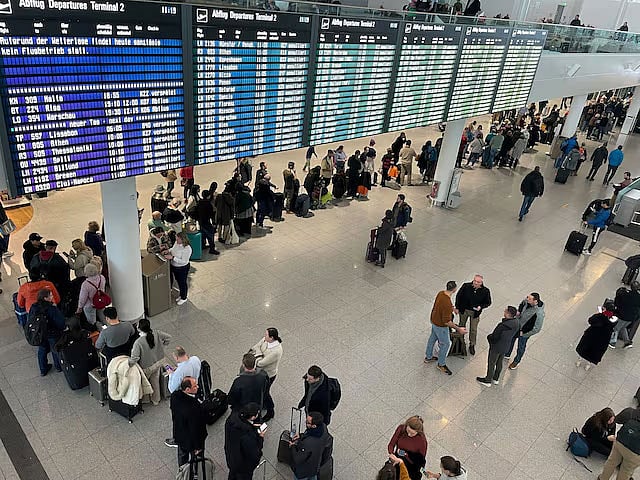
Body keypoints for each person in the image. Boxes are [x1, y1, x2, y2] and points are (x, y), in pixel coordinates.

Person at [424, 281, 466, 376]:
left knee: (432, 338)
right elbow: (447, 321)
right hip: (441, 326)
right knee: (446, 344)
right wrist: (458, 329)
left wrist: (453, 308)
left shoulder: (441, 293)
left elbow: (443, 305)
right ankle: (441, 364)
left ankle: (428, 357)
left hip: (434, 320)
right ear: (454, 289)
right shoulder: (447, 302)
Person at [129, 318, 172, 406]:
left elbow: (135, 358)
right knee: (155, 381)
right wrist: (162, 348)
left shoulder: (138, 342)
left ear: (139, 329)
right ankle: (156, 399)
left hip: (146, 367)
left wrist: (129, 364)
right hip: (158, 362)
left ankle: (146, 399)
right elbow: (168, 337)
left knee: (145, 383)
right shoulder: (157, 333)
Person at [476, 306, 519, 387]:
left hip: (496, 347)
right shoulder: (516, 323)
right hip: (506, 346)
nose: (504, 311)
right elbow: (516, 335)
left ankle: (488, 380)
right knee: (499, 362)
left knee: (491, 363)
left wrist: (489, 337)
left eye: (505, 311)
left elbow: (494, 337)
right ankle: (496, 378)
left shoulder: (502, 326)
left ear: (508, 314)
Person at [170, 376, 208, 467]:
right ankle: (196, 470)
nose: (197, 387)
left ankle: (182, 470)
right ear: (187, 389)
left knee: (182, 455)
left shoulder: (175, 396)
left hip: (180, 434)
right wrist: (197, 446)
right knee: (197, 458)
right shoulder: (194, 407)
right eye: (195, 386)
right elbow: (195, 428)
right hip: (192, 441)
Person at [249, 328, 283, 422]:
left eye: (266, 335)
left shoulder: (276, 351)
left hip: (268, 375)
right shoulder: (265, 340)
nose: (264, 336)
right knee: (263, 392)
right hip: (261, 372)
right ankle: (264, 404)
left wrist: (257, 354)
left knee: (265, 393)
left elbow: (261, 363)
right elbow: (255, 346)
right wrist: (260, 354)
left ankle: (270, 411)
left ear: (272, 337)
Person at [224, 402, 265, 480]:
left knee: (232, 474)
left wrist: (251, 426)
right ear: (253, 417)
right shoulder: (248, 435)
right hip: (243, 467)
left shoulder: (231, 420)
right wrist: (260, 437)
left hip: (231, 458)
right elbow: (255, 454)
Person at [30, 288, 66, 376]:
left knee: (42, 350)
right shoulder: (51, 308)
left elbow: (30, 319)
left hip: (40, 333)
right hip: (52, 333)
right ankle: (58, 367)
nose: (52, 296)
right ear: (45, 298)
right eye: (50, 295)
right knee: (55, 349)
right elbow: (60, 322)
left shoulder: (34, 307)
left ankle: (43, 369)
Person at [290, 411, 334, 480]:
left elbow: (297, 459)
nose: (305, 423)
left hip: (303, 471)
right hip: (315, 466)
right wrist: (301, 436)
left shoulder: (308, 443)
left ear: (314, 426)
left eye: (308, 423)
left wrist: (292, 446)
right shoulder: (323, 428)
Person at [455, 275, 492, 356]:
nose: (475, 283)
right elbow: (459, 296)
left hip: (475, 313)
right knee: (461, 325)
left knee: (473, 329)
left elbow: (488, 302)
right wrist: (457, 307)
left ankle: (472, 344)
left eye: (478, 282)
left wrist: (481, 306)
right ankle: (459, 341)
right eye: (474, 281)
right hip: (464, 310)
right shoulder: (466, 286)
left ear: (481, 283)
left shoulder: (485, 291)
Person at [576, 299, 618, 370]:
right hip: (603, 339)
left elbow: (590, 320)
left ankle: (579, 361)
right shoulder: (614, 319)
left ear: (605, 308)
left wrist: (601, 313)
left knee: (584, 348)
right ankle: (588, 365)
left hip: (592, 335)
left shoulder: (599, 316)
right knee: (594, 352)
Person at [506, 293, 545, 369]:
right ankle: (507, 353)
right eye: (528, 297)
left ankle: (516, 361)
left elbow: (537, 328)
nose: (527, 299)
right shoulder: (526, 301)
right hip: (517, 325)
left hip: (524, 332)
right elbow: (522, 304)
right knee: (511, 339)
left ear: (535, 301)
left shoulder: (539, 313)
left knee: (521, 346)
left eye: (529, 299)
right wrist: (519, 311)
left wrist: (524, 334)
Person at [387, 416, 428, 480]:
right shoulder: (401, 428)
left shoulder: (422, 441)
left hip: (410, 465)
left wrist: (405, 454)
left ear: (418, 432)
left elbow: (420, 460)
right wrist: (391, 454)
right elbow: (391, 444)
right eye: (408, 431)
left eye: (412, 433)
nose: (409, 434)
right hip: (397, 458)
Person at [76, 263, 107, 327]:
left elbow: (82, 298)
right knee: (103, 318)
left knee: (92, 322)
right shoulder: (102, 278)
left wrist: (79, 308)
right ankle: (107, 328)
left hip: (90, 305)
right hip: (100, 301)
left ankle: (97, 330)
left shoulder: (86, 284)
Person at [610, 284, 640, 349]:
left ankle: (612, 342)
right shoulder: (638, 297)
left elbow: (618, 303)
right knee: (623, 328)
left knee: (616, 328)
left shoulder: (626, 295)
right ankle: (627, 342)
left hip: (623, 316)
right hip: (632, 318)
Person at [165, 232, 191, 305]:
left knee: (182, 283)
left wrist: (173, 258)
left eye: (178, 239)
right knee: (178, 281)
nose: (176, 240)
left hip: (182, 268)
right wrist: (168, 250)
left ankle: (184, 298)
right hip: (174, 266)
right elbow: (173, 249)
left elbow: (184, 261)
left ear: (183, 239)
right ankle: (181, 294)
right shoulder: (176, 243)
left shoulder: (187, 249)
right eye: (176, 238)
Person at [196, 190, 220, 255]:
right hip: (207, 221)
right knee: (210, 235)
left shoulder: (199, 202)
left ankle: (203, 245)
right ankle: (212, 249)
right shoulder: (208, 204)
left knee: (203, 234)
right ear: (208, 196)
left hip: (200, 221)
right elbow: (211, 214)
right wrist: (214, 223)